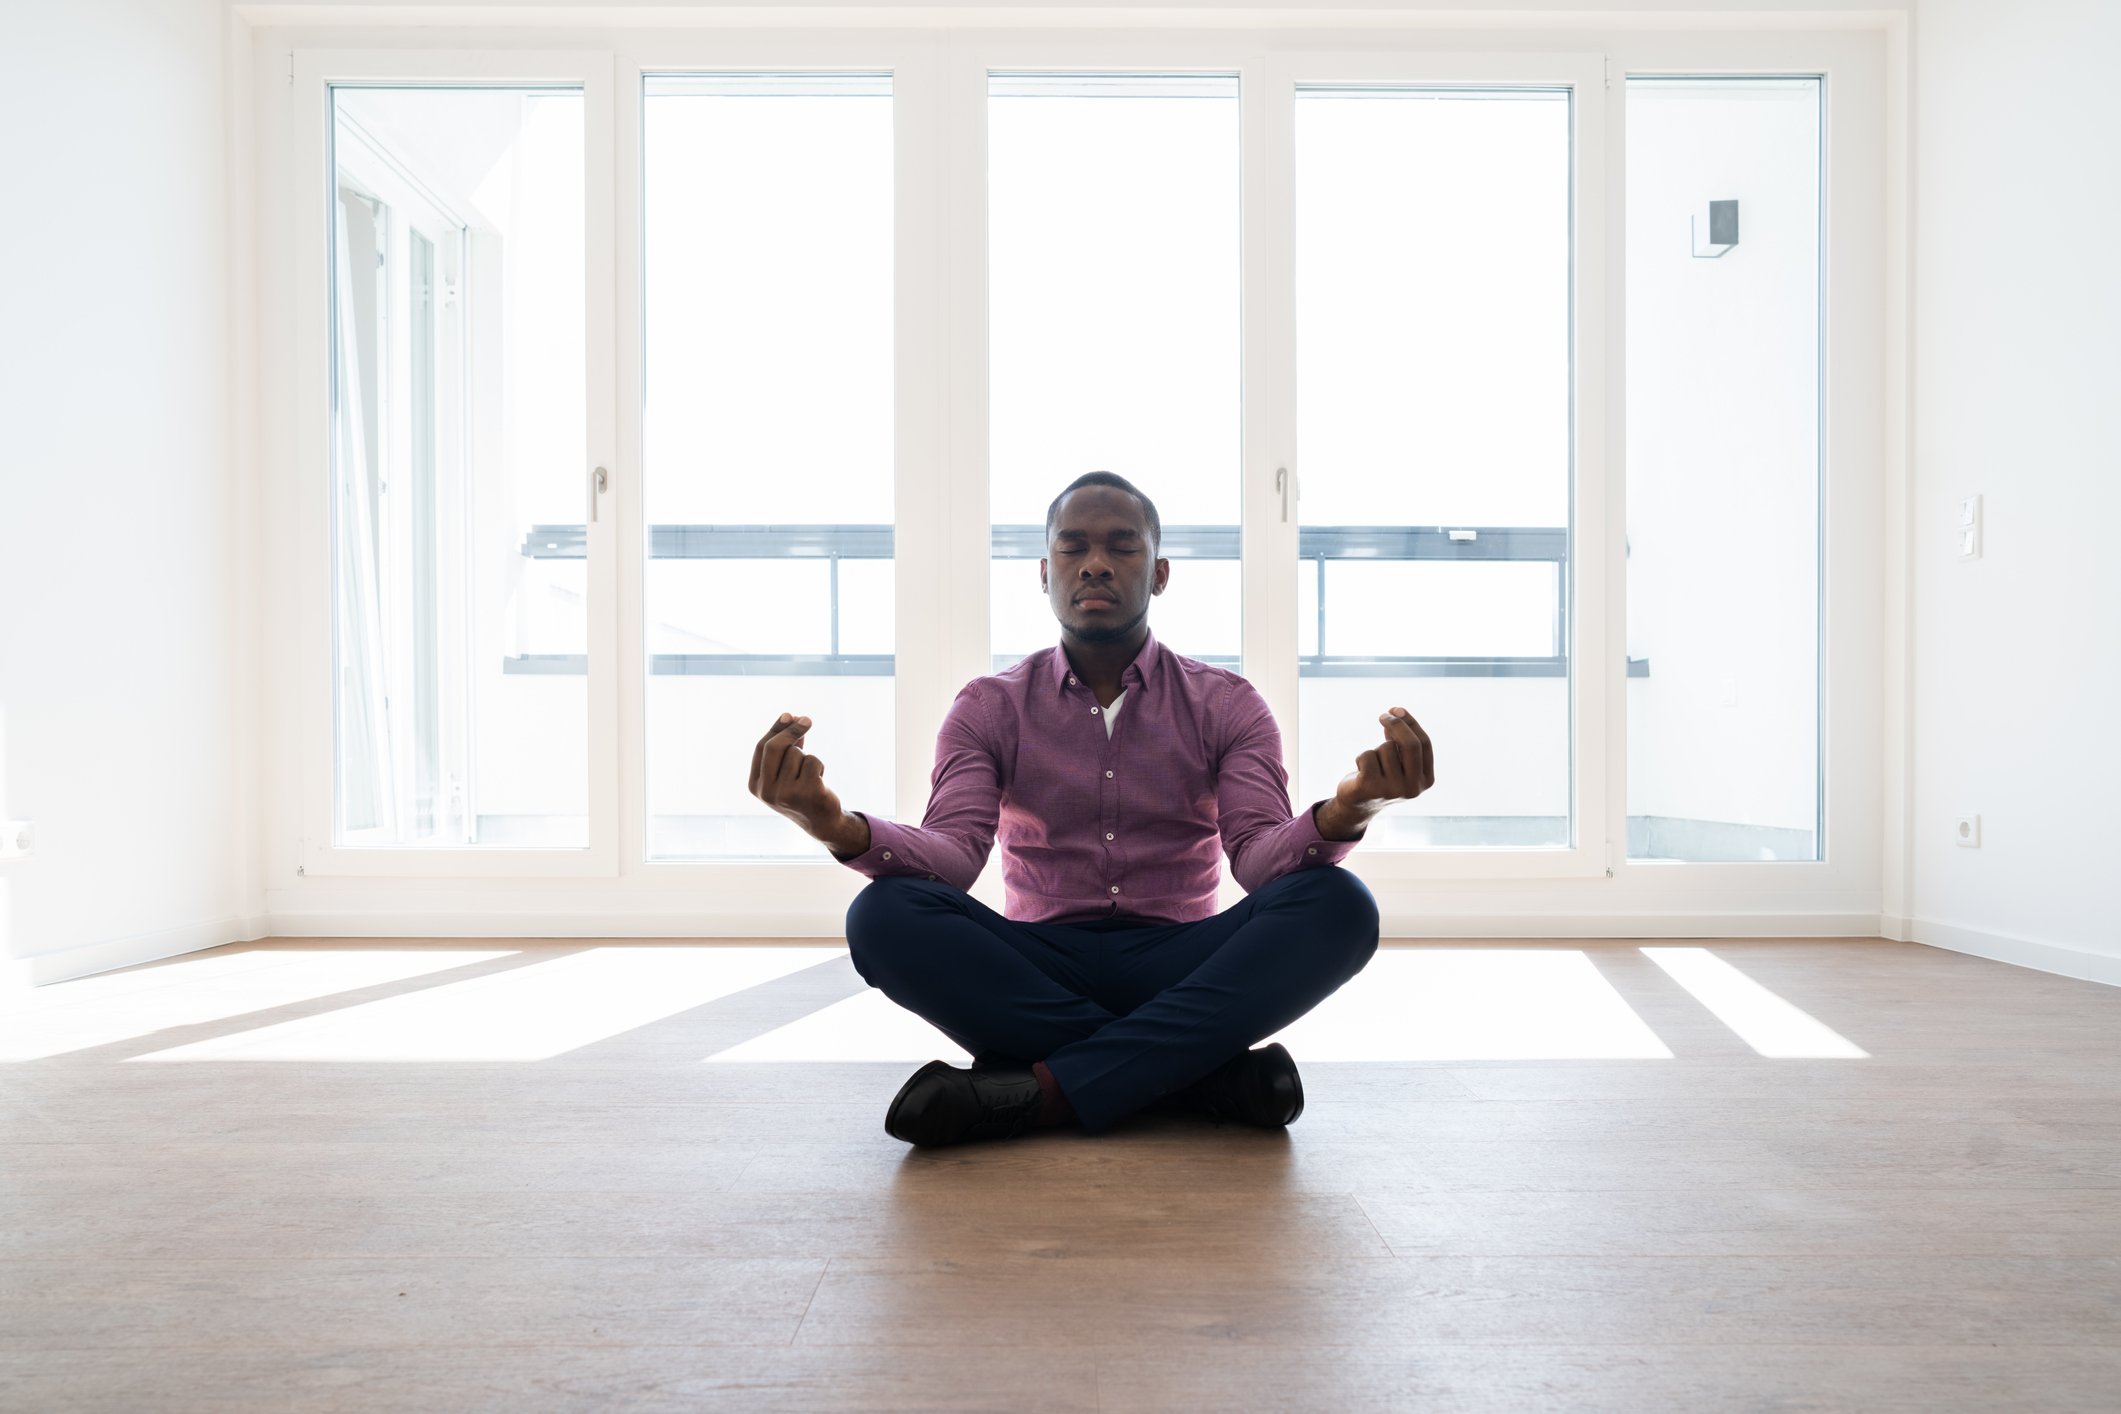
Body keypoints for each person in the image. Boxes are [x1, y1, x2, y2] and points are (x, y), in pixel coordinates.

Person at [745, 472, 1435, 1146]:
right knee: (884, 916)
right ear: (1044, 574)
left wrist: (1352, 807)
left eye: (1121, 546)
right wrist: (833, 828)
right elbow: (952, 855)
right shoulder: (988, 706)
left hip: (1182, 961)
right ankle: (1194, 1074)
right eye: (1072, 547)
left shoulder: (1227, 703)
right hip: (1038, 964)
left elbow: (1258, 858)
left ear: (1159, 573)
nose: (1096, 564)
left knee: (1337, 905)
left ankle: (1038, 1092)